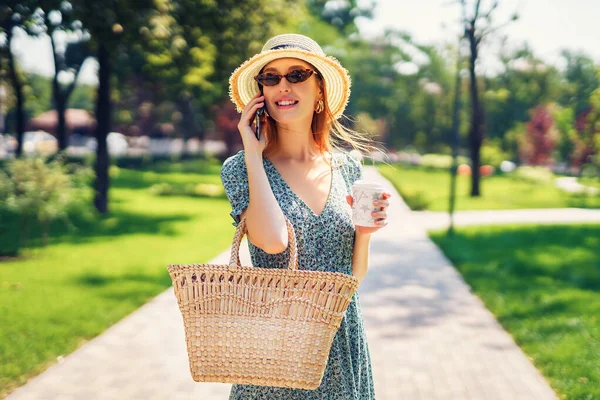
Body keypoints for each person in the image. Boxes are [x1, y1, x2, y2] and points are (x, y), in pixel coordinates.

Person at [221, 33, 391, 400]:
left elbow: (352, 279)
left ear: (319, 92)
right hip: (276, 349)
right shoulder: (241, 169)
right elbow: (273, 242)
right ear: (260, 94)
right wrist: (253, 154)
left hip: (340, 340)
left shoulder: (347, 167)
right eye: (271, 77)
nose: (283, 85)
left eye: (297, 75)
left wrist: (364, 233)